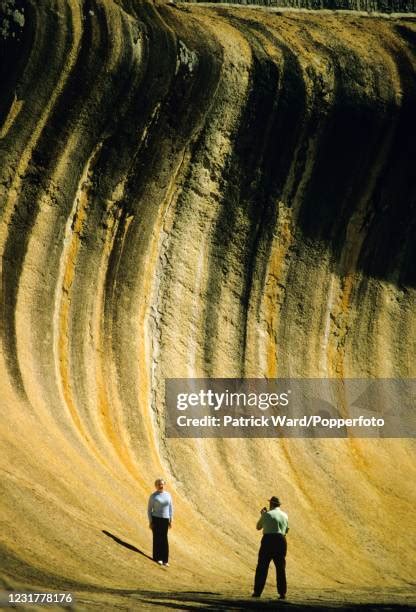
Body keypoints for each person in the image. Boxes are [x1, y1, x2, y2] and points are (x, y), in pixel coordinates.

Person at [252, 495, 289, 600]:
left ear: (271, 504)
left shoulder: (267, 514)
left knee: (262, 567)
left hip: (268, 540)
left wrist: (263, 515)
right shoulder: (285, 515)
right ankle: (282, 593)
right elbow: (286, 530)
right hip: (281, 540)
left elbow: (258, 527)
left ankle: (257, 591)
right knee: (280, 568)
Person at [147, 478, 173, 566]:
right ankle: (158, 558)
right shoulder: (153, 496)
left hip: (165, 519)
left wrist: (171, 520)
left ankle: (165, 560)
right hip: (156, 519)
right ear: (156, 486)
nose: (160, 486)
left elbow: (170, 508)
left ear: (164, 485)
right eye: (158, 484)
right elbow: (149, 510)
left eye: (162, 484)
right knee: (157, 538)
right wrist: (150, 521)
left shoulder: (168, 495)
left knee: (164, 539)